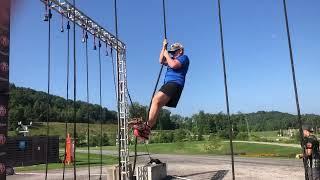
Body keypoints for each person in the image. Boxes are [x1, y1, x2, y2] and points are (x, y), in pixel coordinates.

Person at [131, 39, 190, 139]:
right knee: (156, 105)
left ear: (180, 50)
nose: (172, 54)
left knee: (156, 99)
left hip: (175, 83)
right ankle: (147, 128)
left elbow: (174, 65)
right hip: (169, 84)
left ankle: (147, 126)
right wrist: (163, 47)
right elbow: (161, 60)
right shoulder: (172, 58)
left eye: (174, 52)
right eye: (171, 53)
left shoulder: (184, 58)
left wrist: (167, 55)